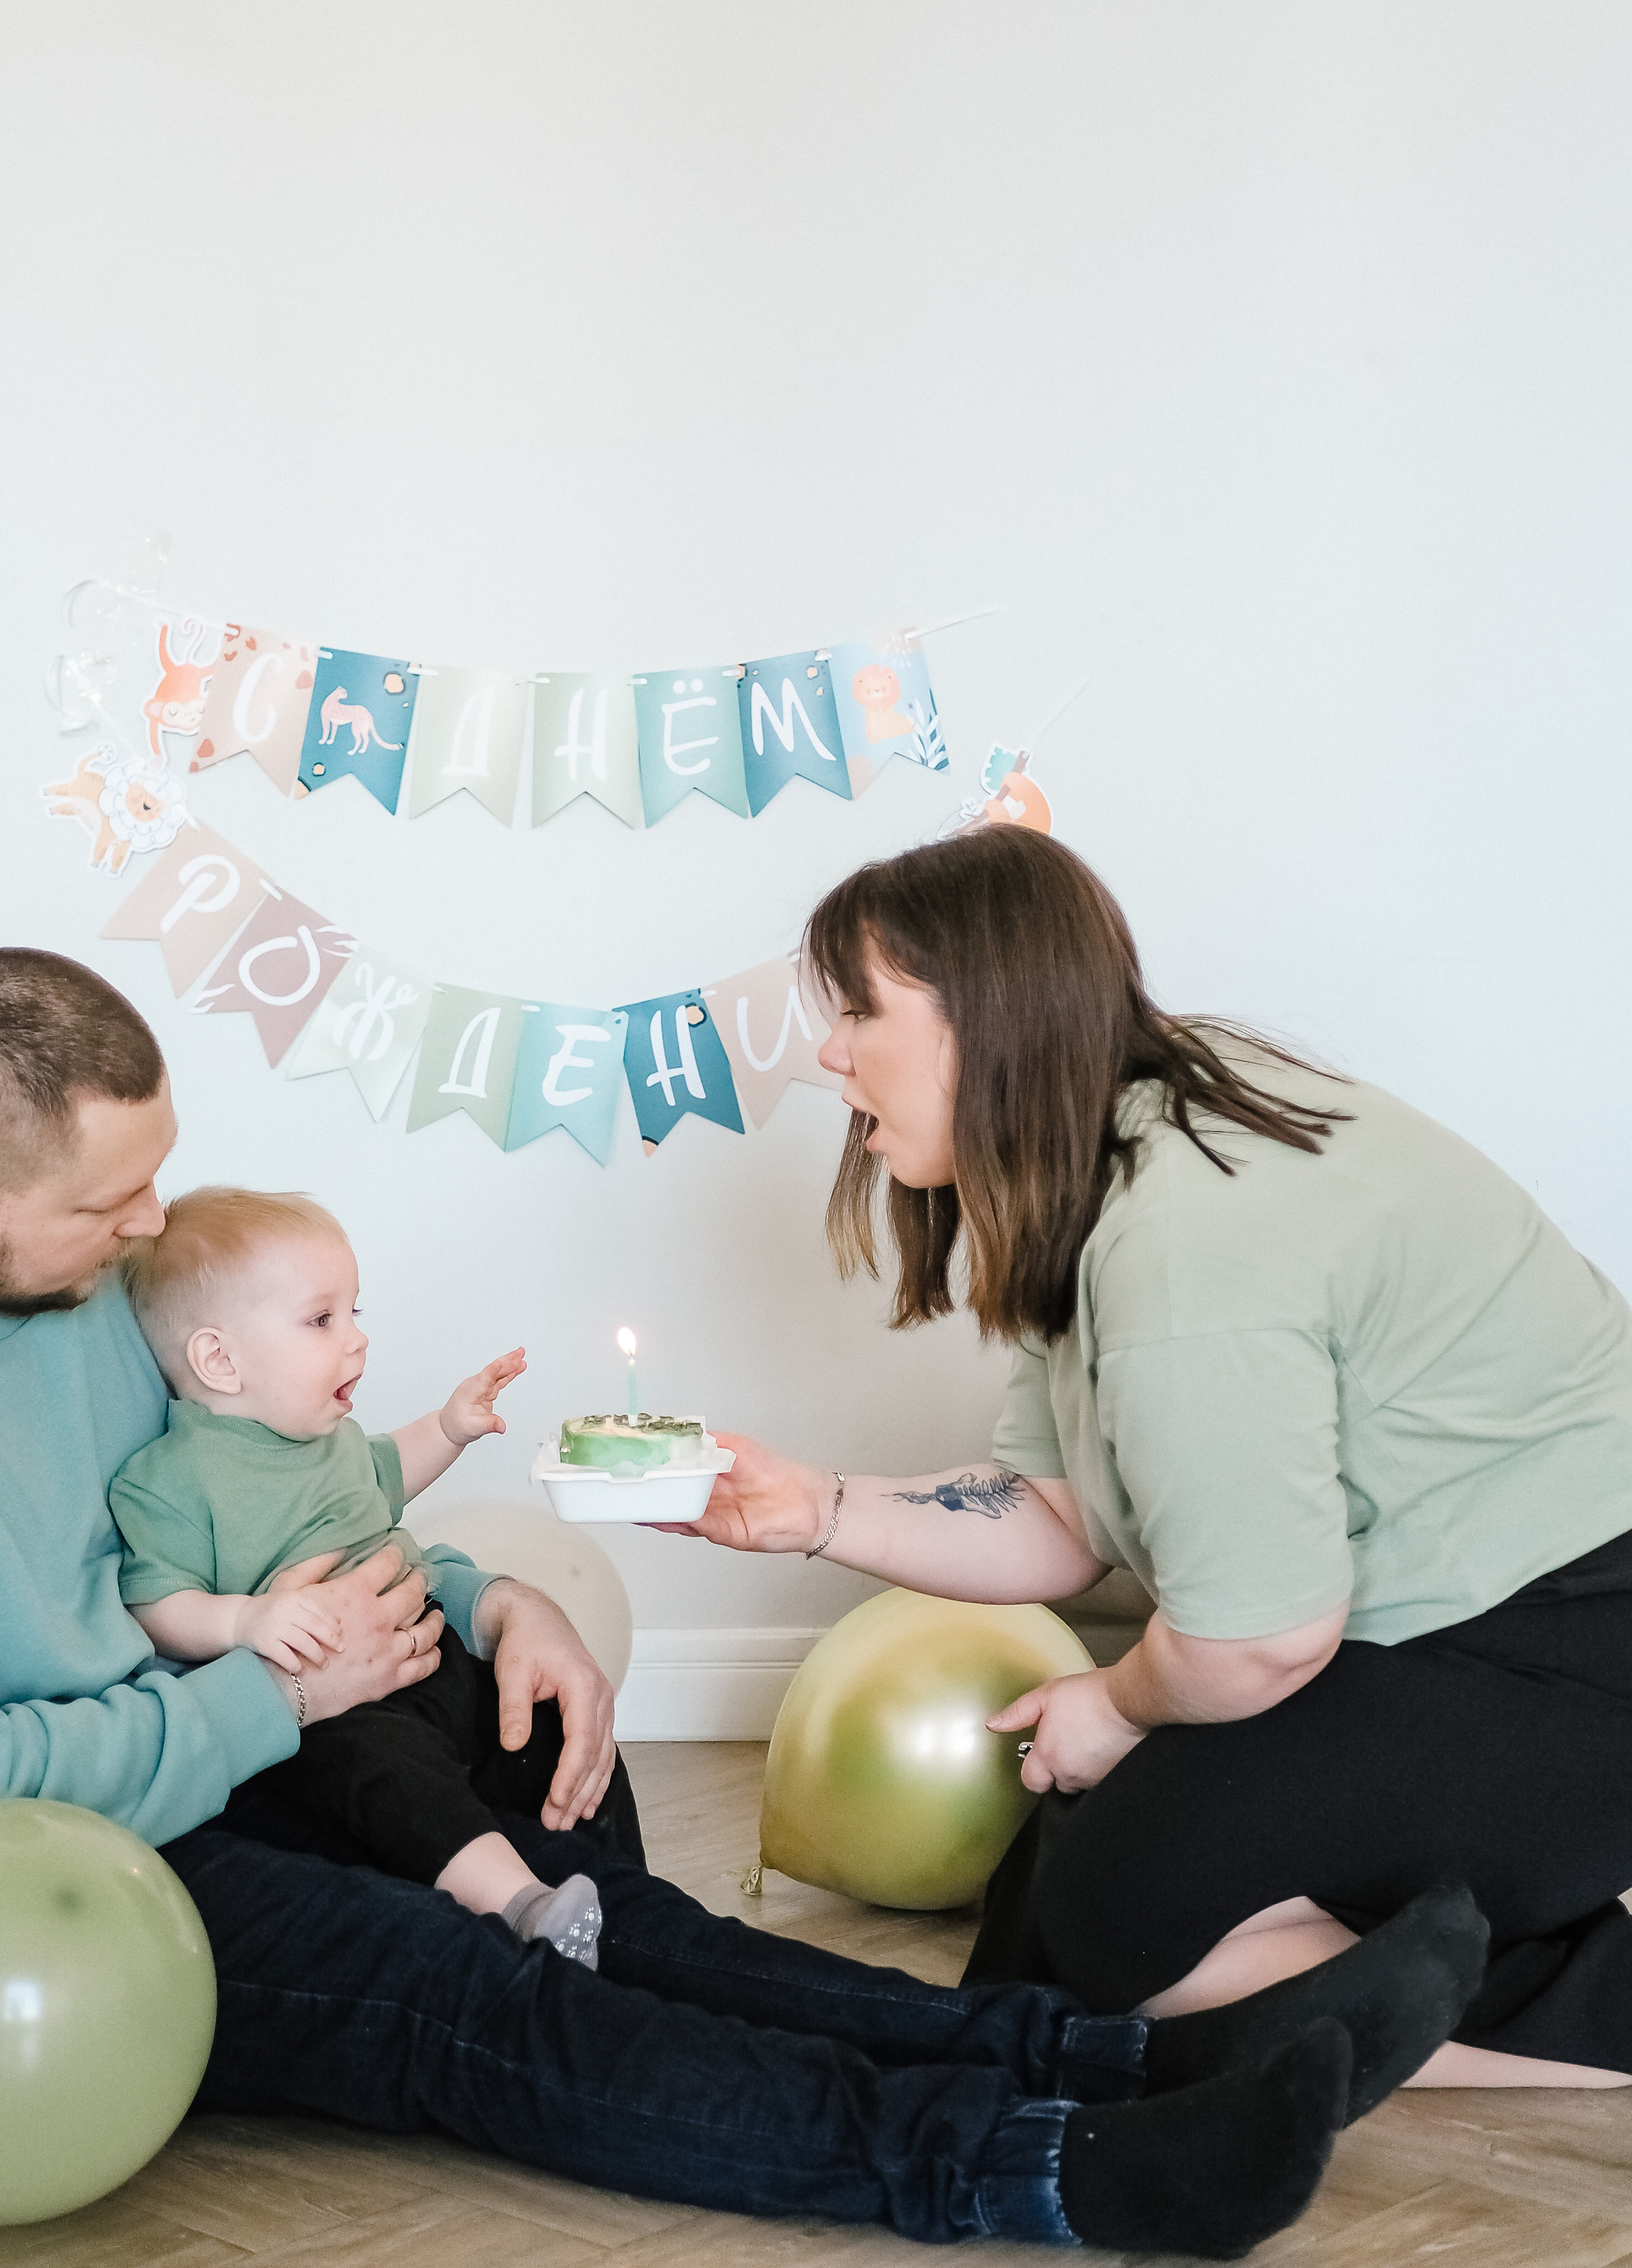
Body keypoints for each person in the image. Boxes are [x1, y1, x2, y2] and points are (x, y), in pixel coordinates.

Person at [0, 946, 1490, 2253]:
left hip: (169, 1746)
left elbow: (252, 1510)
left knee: (566, 1878)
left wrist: (495, 1604)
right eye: (109, 1205)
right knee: (464, 1979)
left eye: (154, 1179)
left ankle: (1102, 2054)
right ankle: (1044, 2170)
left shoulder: (63, 1272)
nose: (148, 1229)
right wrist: (277, 1701)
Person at [674, 828, 1632, 2090]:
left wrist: (1118, 1703)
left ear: (984, 1018)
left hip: (1563, 1644)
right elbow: (1063, 1518)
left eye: (861, 1011)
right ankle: (1425, 1934)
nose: (829, 1052)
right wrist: (814, 1508)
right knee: (1056, 1898)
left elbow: (1258, 1641)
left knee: (1109, 1931)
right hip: (1440, 1626)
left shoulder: (1186, 1240)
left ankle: (1595, 2007)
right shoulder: (1109, 1147)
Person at [111, 1183, 605, 1964]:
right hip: (340, 1705)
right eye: (321, 1319)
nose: (357, 1340)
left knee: (547, 1712)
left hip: (431, 1654)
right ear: (219, 1358)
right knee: (378, 1768)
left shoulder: (332, 1438)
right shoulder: (173, 1476)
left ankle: (614, 1895)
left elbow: (390, 1471)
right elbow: (154, 1602)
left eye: (354, 1312)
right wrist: (243, 1621)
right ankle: (519, 1904)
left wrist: (449, 1426)